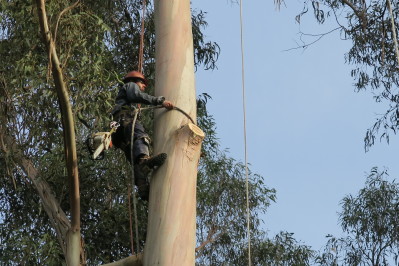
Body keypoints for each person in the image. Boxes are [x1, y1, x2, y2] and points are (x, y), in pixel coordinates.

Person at [111, 70, 174, 201]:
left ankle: (142, 186)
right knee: (140, 136)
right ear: (135, 81)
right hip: (124, 119)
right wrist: (159, 101)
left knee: (133, 155)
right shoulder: (130, 85)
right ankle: (145, 162)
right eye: (143, 83)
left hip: (118, 132)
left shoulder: (122, 97)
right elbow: (136, 96)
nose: (144, 86)